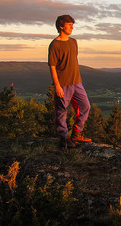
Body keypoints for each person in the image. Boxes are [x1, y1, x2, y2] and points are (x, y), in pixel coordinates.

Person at [48, 14, 91, 148]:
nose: (72, 27)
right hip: (63, 84)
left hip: (77, 81)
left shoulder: (73, 42)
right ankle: (64, 137)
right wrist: (57, 86)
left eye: (73, 25)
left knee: (85, 106)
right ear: (61, 26)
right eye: (69, 25)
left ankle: (76, 133)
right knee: (62, 110)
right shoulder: (54, 44)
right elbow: (53, 67)